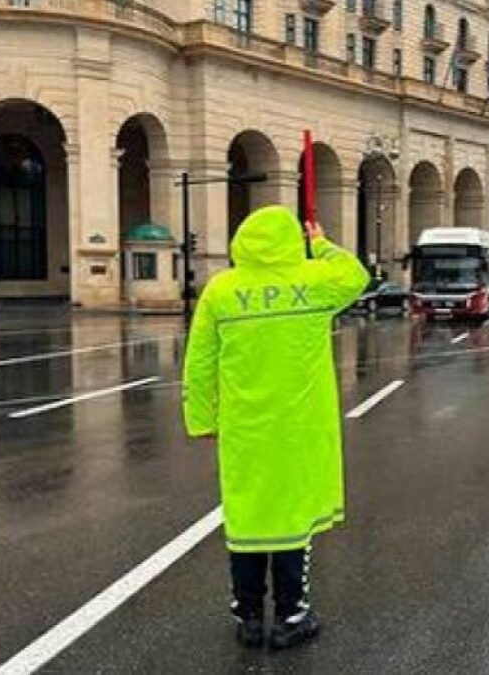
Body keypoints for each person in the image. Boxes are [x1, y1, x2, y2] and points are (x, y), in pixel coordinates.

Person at [182, 205, 369, 650]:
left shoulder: (221, 290)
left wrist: (201, 420)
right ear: (292, 241)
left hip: (244, 430)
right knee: (292, 523)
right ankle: (291, 615)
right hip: (298, 430)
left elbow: (200, 363)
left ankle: (247, 616)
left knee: (247, 521)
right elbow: (356, 275)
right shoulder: (313, 281)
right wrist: (320, 243)